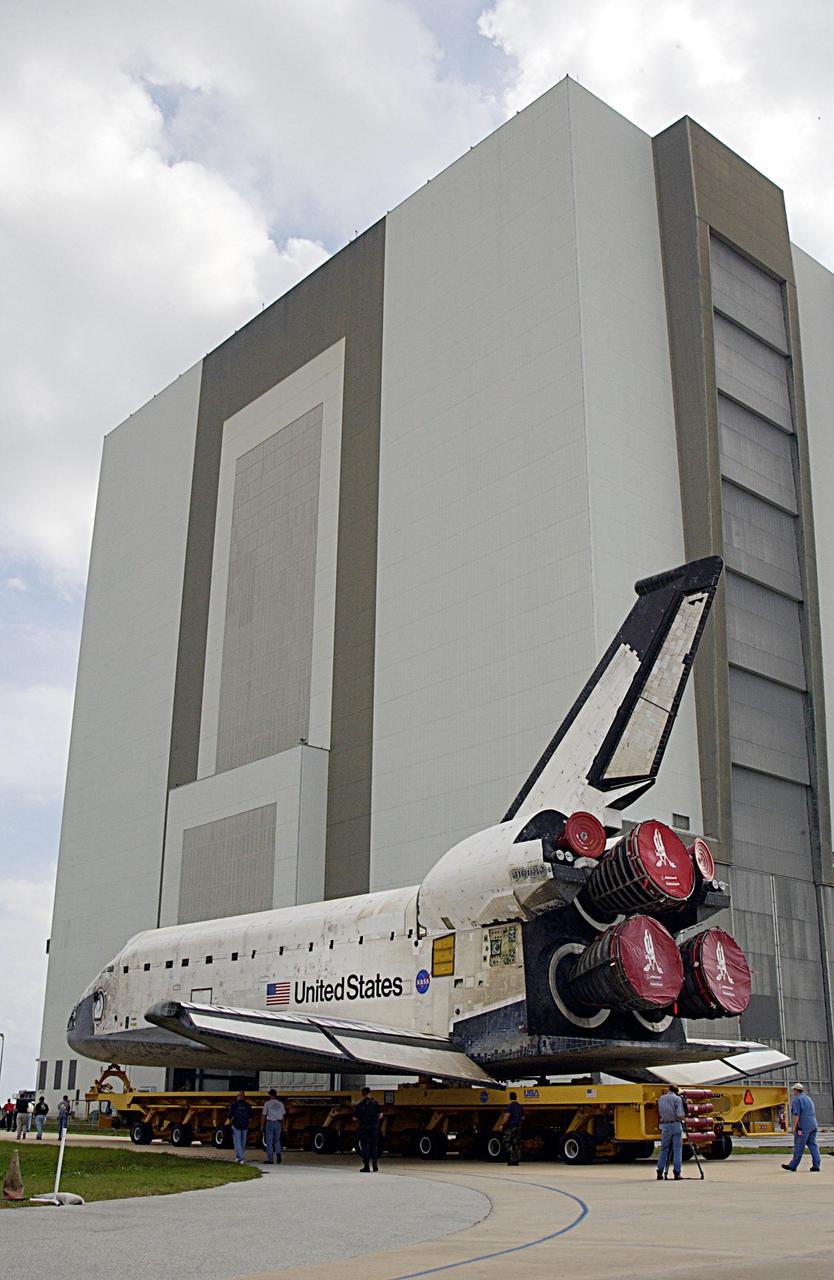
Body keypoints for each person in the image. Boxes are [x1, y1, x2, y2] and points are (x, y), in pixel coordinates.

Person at [781, 1083, 821, 1172]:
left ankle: (793, 1165)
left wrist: (794, 1127)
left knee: (799, 1145)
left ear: (796, 1090)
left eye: (793, 1090)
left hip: (803, 1126)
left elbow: (796, 1115)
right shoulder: (808, 1098)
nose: (793, 1091)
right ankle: (816, 1165)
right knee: (812, 1144)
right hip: (813, 1125)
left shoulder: (797, 1100)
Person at [656, 1084, 686, 1180]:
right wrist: (685, 1118)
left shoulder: (661, 1098)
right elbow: (680, 1114)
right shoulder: (677, 1099)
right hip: (675, 1124)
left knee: (664, 1149)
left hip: (665, 1125)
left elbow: (660, 1112)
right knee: (677, 1149)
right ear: (676, 1091)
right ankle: (677, 1172)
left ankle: (660, 1171)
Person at [354, 1086, 382, 1172]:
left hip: (364, 1128)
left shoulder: (360, 1105)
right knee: (374, 1146)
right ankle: (375, 1165)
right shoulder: (376, 1103)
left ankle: (366, 1166)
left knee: (365, 1146)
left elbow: (354, 1118)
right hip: (374, 1128)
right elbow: (380, 1115)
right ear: (370, 1093)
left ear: (363, 1094)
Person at [261, 1089, 286, 1164]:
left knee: (269, 1141)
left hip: (270, 1123)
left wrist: (262, 1125)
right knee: (277, 1140)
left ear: (270, 1095)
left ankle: (270, 1159)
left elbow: (263, 1115)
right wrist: (283, 1126)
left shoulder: (267, 1103)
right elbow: (283, 1116)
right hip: (278, 1123)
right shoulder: (280, 1104)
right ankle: (278, 1153)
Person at [228, 1091, 253, 1164]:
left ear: (237, 1097)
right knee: (243, 1142)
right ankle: (239, 1156)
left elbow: (230, 1116)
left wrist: (228, 1123)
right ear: (244, 1097)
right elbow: (251, 1117)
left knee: (237, 1142)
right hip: (245, 1125)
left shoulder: (234, 1105)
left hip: (236, 1125)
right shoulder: (248, 1105)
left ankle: (240, 1158)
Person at [502, 1091, 525, 1166]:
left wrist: (502, 1124)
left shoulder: (510, 1106)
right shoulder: (520, 1106)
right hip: (519, 1126)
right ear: (516, 1097)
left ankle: (512, 1155)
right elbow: (523, 1117)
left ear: (509, 1097)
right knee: (516, 1142)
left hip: (512, 1126)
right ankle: (516, 1159)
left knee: (506, 1141)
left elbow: (506, 1116)